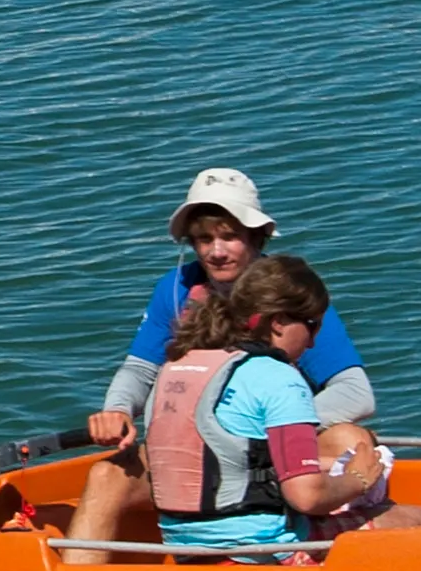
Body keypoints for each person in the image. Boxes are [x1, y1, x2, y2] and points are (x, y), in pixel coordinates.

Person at [73, 168, 372, 547]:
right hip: (192, 451)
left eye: (229, 237)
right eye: (203, 239)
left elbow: (355, 393)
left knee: (349, 438)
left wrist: (259, 434)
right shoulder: (177, 288)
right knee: (105, 476)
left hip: (269, 445)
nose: (216, 251)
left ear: (256, 237)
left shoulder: (291, 295)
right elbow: (140, 368)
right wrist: (116, 408)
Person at [140, 256, 399, 553]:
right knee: (409, 519)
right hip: (261, 548)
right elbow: (307, 497)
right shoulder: (279, 379)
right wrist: (358, 479)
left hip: (184, 545)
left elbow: (233, 464)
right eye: (312, 326)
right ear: (278, 323)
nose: (313, 342)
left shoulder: (177, 367)